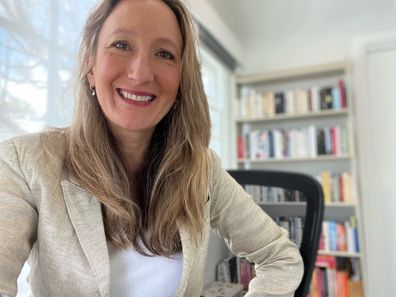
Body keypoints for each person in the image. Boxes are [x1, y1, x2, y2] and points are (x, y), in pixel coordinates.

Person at [0, 0, 303, 296]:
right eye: (121, 45)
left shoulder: (202, 168)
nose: (141, 73)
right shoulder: (24, 162)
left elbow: (281, 258)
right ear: (90, 65)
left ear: (182, 79)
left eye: (164, 53)